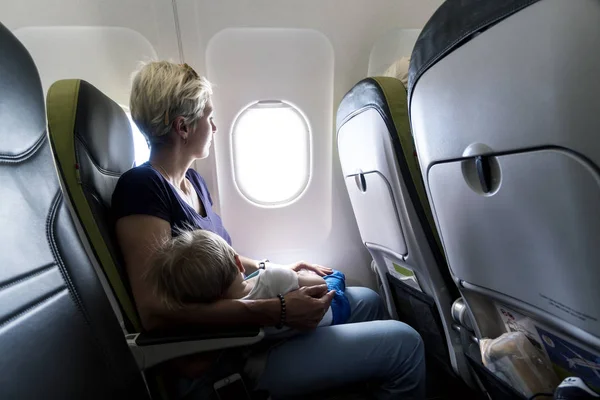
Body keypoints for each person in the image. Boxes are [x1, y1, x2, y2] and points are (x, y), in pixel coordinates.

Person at [112, 60, 426, 399]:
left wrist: (269, 269)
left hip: (246, 329)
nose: (215, 127)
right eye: (208, 116)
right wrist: (280, 309)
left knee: (367, 300)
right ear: (182, 127)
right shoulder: (142, 186)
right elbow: (156, 310)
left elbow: (222, 258)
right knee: (405, 345)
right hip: (225, 355)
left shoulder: (193, 183)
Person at [146, 229, 351, 330]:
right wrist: (298, 276)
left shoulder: (224, 318)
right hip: (327, 313)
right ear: (239, 262)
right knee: (336, 277)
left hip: (279, 337)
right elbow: (320, 287)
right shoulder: (273, 278)